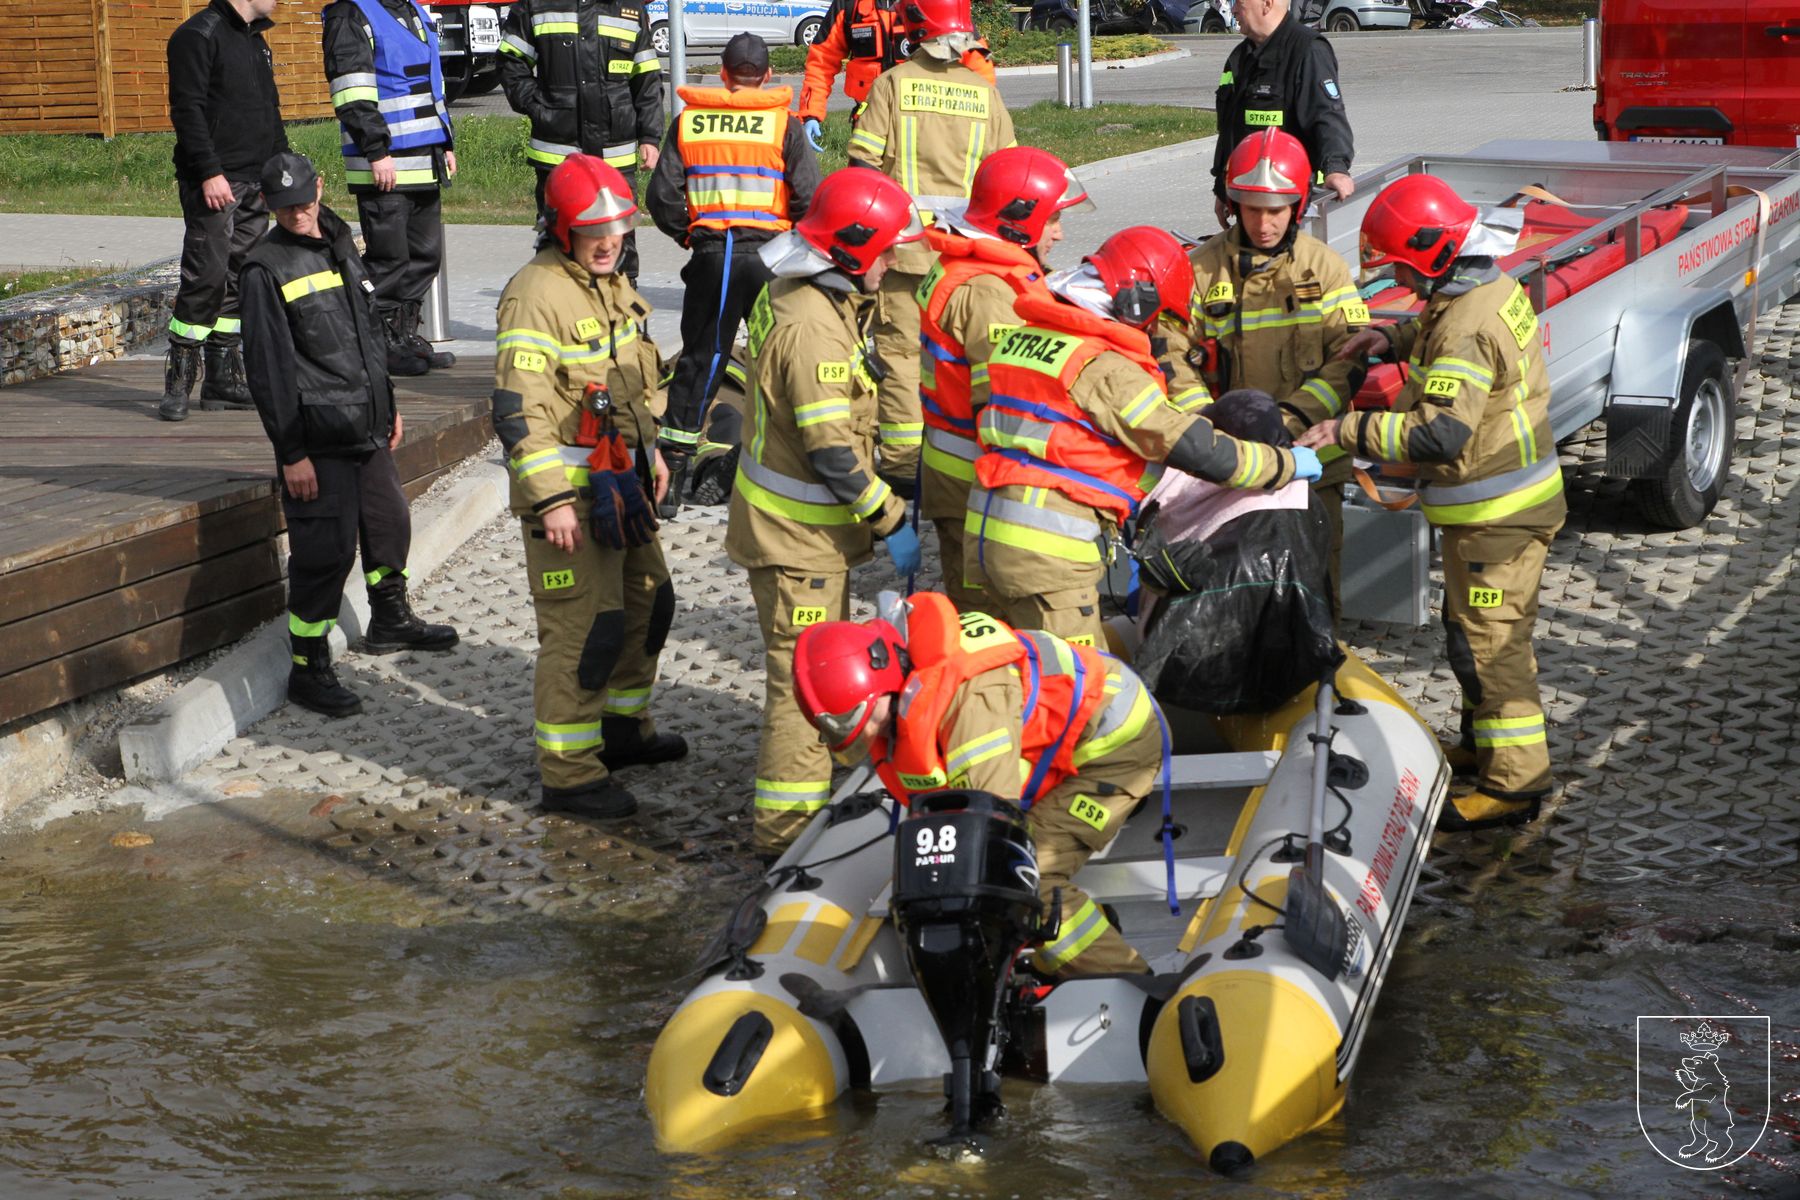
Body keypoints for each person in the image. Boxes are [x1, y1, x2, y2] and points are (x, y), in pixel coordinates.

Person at [1298, 173, 1564, 832]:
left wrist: (1345, 429)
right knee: (1465, 636)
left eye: (1401, 271)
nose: (1403, 285)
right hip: (1497, 512)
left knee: (1492, 647)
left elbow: (1439, 433)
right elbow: (1446, 331)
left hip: (1495, 520)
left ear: (1433, 256)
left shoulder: (1465, 325)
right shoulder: (1483, 287)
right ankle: (1484, 748)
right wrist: (1393, 339)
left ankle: (1515, 784)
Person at [963, 225, 1323, 648]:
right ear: (1139, 301)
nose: (1153, 333)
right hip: (1048, 557)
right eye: (1157, 318)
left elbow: (1061, 434)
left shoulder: (1026, 338)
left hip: (986, 533)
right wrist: (1284, 464)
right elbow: (1196, 450)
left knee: (1013, 672)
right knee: (1077, 691)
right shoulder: (1106, 368)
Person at [793, 590, 1161, 976]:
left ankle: (1128, 979)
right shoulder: (908, 689)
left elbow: (993, 817)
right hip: (1059, 742)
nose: (867, 734)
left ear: (881, 678)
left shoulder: (971, 700)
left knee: (1023, 875)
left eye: (861, 718)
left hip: (1114, 747)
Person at [724, 169, 925, 855]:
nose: (894, 262)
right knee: (800, 684)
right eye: (887, 251)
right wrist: (891, 516)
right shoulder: (815, 333)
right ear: (853, 250)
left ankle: (819, 798)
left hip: (795, 534)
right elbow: (832, 455)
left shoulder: (800, 294)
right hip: (797, 541)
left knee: (812, 673)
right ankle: (785, 838)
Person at [491, 154, 685, 820]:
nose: (609, 242)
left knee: (648, 602)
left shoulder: (612, 283)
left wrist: (650, 452)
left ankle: (621, 732)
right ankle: (569, 774)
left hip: (622, 482)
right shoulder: (536, 293)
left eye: (620, 230)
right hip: (571, 499)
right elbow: (520, 410)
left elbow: (633, 382)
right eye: (594, 230)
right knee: (585, 630)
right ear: (559, 228)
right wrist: (549, 501)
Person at [239, 152, 460, 718]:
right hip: (316, 439)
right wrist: (291, 454)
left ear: (319, 190)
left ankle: (390, 618)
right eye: (285, 207)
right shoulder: (265, 267)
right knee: (325, 554)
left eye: (306, 201)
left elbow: (366, 331)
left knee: (391, 524)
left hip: (366, 423)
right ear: (268, 205)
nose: (298, 213)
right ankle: (308, 669)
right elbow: (268, 369)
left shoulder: (338, 237)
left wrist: (388, 404)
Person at [1184, 127, 1369, 613]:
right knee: (1230, 589)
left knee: (1314, 586)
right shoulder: (1201, 272)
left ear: (1298, 206)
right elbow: (1173, 361)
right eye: (1251, 209)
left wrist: (1287, 423)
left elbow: (1348, 360)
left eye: (1276, 210)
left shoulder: (1324, 268)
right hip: (1227, 465)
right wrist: (1213, 433)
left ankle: (1321, 682)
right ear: (1233, 203)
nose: (1263, 223)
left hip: (1312, 468)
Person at [647, 32, 819, 516]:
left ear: (722, 73)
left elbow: (661, 198)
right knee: (781, 361)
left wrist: (692, 236)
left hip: (713, 260)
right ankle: (785, 467)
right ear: (767, 76)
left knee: (701, 363)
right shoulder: (784, 124)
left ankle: (671, 478)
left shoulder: (690, 122)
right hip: (772, 260)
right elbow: (809, 200)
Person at [846, 0, 1014, 492]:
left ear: (915, 29)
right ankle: (967, 459)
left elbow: (863, 173)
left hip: (904, 255)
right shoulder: (986, 95)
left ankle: (903, 467)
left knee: (900, 356)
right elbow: (1005, 180)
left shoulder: (892, 85)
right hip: (967, 260)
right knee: (966, 357)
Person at [916, 146, 1092, 612]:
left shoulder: (980, 268)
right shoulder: (989, 295)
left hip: (959, 472)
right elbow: (1006, 398)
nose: (1059, 232)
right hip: (974, 482)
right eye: (1051, 220)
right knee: (989, 624)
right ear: (1017, 222)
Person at [161, 0, 288, 421]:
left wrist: (280, 173)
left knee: (240, 275)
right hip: (215, 181)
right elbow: (187, 110)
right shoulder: (197, 35)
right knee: (207, 275)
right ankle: (179, 380)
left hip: (256, 179)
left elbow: (270, 112)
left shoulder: (255, 39)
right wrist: (209, 171)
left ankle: (223, 381)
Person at [322, 0, 458, 376]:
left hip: (424, 158)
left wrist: (446, 143)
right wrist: (375, 149)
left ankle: (401, 336)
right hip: (386, 164)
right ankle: (375, 343)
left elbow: (432, 84)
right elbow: (351, 93)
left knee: (425, 256)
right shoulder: (351, 13)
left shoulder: (412, 9)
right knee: (389, 260)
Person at [498, 0, 662, 285]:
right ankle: (562, 316)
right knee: (559, 241)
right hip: (558, 155)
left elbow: (647, 79)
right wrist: (539, 106)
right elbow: (511, 61)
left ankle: (620, 313)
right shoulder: (536, 5)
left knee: (619, 240)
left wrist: (650, 136)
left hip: (615, 156)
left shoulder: (629, 8)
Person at [1211, 0, 1354, 229]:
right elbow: (1230, 130)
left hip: (1295, 204)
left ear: (1266, 4)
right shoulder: (1240, 57)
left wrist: (1335, 168)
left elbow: (1327, 116)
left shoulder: (1308, 50)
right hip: (1250, 202)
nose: (1233, 10)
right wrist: (1222, 188)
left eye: (1238, 2)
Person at [796, 0, 996, 153]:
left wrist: (986, 113)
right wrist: (810, 113)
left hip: (928, 120)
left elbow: (976, 60)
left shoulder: (934, 4)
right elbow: (822, 60)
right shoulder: (850, 5)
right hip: (869, 121)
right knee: (871, 189)